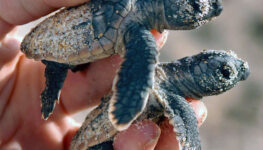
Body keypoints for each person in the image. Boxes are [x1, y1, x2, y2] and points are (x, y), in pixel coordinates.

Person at [0, 0, 207, 149]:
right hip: (61, 42)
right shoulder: (138, 32)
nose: (197, 14)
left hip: (64, 47)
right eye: (192, 7)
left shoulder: (140, 29)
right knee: (140, 61)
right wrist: (126, 106)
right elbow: (138, 74)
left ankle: (55, 82)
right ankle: (55, 81)